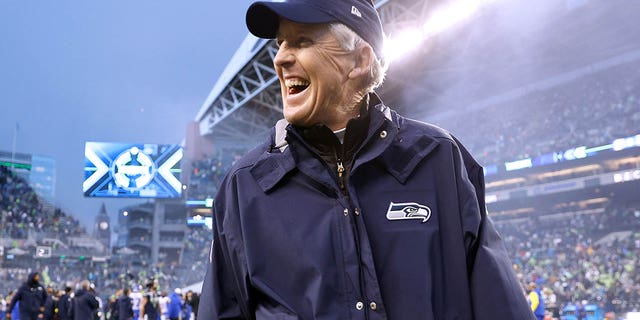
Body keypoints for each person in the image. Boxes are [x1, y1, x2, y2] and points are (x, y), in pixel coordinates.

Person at [198, 0, 536, 319]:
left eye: (301, 41)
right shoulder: (245, 186)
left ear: (359, 61)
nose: (280, 59)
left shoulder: (438, 159)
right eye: (280, 44)